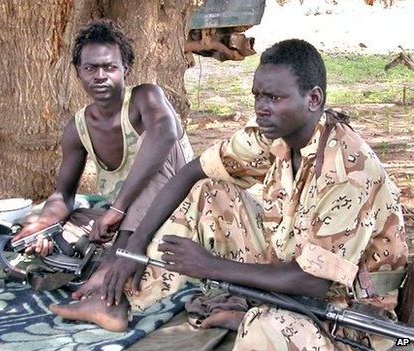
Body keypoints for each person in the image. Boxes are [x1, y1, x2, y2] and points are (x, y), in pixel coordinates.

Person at [52, 38, 408, 350]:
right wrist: (133, 246)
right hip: (287, 260)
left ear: (313, 99)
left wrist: (210, 267)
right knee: (208, 193)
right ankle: (119, 299)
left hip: (346, 312)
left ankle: (252, 311)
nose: (261, 107)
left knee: (264, 329)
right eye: (258, 96)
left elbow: (314, 282)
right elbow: (192, 171)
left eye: (275, 97)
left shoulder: (349, 170)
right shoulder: (274, 133)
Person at [11, 19, 193, 315]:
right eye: (90, 68)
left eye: (110, 67)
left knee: (153, 155)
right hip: (128, 222)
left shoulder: (146, 98)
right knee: (68, 221)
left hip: (179, 208)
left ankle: (110, 272)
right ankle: (102, 256)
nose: (100, 76)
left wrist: (117, 208)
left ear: (125, 70)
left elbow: (165, 133)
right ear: (79, 73)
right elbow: (63, 195)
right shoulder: (77, 128)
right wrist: (44, 224)